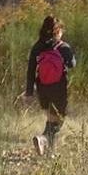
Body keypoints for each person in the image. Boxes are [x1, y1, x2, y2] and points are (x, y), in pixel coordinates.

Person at [23, 16, 77, 155]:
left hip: (42, 88)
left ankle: (49, 151)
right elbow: (72, 64)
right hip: (58, 87)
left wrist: (29, 92)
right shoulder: (63, 47)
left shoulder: (37, 46)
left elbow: (31, 69)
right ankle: (43, 139)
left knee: (50, 119)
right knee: (59, 118)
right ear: (57, 31)